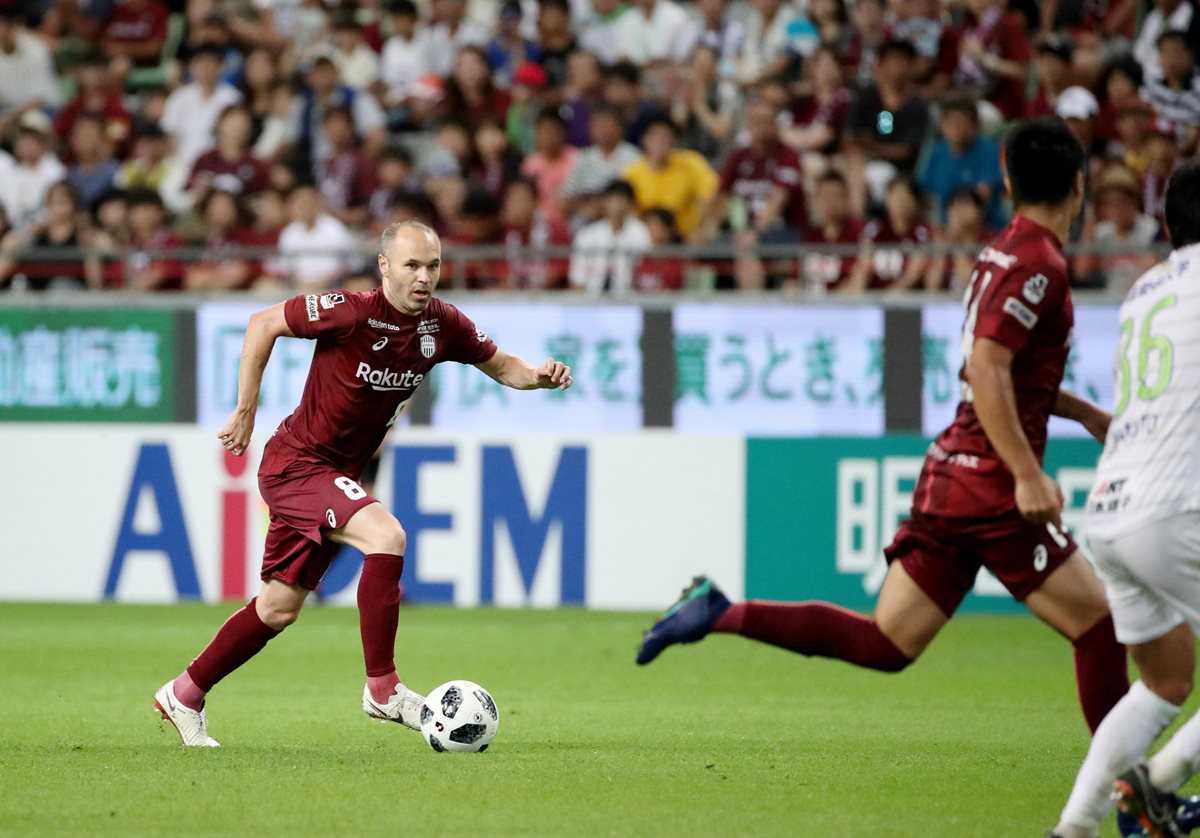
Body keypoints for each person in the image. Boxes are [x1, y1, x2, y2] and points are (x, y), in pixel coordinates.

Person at [636, 118, 1131, 746]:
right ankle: (1127, 792)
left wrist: (1084, 413)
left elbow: (996, 369)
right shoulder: (1040, 265)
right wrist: (1028, 473)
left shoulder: (1004, 249)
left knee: (887, 642)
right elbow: (985, 368)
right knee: (1097, 626)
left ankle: (720, 611)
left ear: (1006, 179)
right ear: (1080, 186)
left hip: (953, 475)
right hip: (995, 486)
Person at [154, 220, 574, 747]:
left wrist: (538, 376)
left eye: (434, 266)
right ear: (385, 267)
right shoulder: (350, 311)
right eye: (412, 266)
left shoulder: (442, 325)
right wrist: (245, 410)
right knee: (387, 536)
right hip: (297, 464)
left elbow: (503, 365)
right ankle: (383, 687)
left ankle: (184, 692)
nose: (425, 278)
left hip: (334, 474)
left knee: (278, 608)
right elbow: (263, 323)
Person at [1046, 160, 1200, 838]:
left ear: (1167, 224)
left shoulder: (1145, 288)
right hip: (1175, 507)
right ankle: (1157, 785)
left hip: (1111, 508)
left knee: (1164, 682)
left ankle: (1072, 829)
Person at [569, 178, 652, 294]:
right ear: (604, 202)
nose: (617, 204)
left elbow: (644, 273)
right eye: (612, 198)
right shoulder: (587, 235)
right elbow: (577, 280)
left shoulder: (640, 232)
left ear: (631, 204)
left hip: (628, 301)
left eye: (622, 199)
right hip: (591, 301)